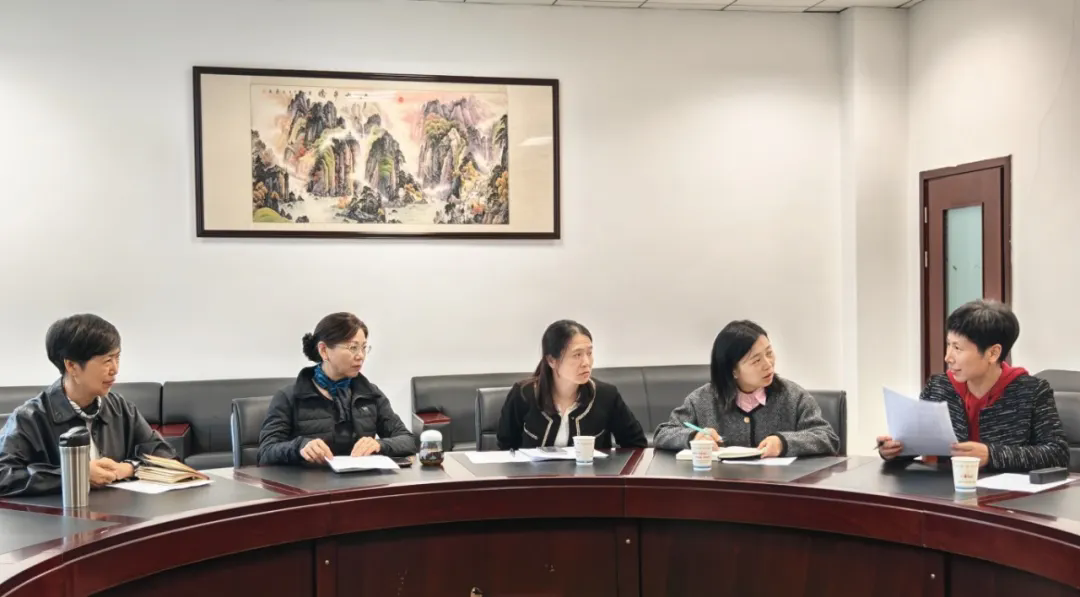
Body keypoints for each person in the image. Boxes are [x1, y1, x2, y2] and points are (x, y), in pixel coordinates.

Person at [877, 300, 1068, 471]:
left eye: (957, 348)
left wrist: (991, 455)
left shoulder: (1032, 392)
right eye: (948, 344)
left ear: (993, 353)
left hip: (1008, 496)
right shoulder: (939, 387)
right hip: (947, 492)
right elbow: (918, 444)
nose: (948, 357)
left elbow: (1057, 454)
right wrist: (893, 450)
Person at [0, 314, 175, 497]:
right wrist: (74, 475)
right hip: (58, 514)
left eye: (117, 358)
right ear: (72, 366)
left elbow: (164, 453)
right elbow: (4, 475)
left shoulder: (120, 409)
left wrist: (129, 468)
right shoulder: (30, 418)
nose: (115, 369)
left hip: (117, 512)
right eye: (107, 360)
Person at [653, 320, 839, 458]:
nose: (768, 364)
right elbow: (663, 433)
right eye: (756, 360)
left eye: (769, 353)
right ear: (733, 370)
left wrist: (783, 443)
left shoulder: (793, 396)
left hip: (779, 490)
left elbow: (827, 437)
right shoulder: (702, 400)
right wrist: (694, 437)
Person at [259, 312, 415, 466]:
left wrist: (380, 445)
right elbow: (265, 452)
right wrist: (299, 447)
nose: (360, 356)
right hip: (309, 481)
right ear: (324, 350)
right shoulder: (289, 396)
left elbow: (407, 440)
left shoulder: (369, 393)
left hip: (361, 479)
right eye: (353, 348)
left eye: (363, 348)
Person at [496, 320, 647, 450]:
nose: (586, 362)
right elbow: (506, 448)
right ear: (551, 360)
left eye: (589, 353)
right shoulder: (524, 394)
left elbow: (636, 444)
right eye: (577, 355)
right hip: (533, 476)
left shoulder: (606, 395)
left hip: (590, 475)